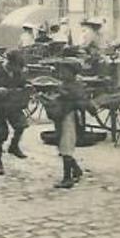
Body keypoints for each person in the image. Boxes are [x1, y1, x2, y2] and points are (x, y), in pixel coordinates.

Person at [42, 55, 92, 189]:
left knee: (66, 144)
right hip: (61, 117)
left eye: (65, 71)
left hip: (71, 118)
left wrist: (63, 95)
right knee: (62, 144)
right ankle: (76, 170)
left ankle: (67, 178)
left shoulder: (76, 86)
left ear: (73, 72)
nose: (62, 73)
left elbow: (78, 100)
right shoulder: (64, 84)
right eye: (61, 71)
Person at [0, 49, 30, 175]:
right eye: (17, 67)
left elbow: (23, 84)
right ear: (10, 63)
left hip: (13, 105)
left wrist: (26, 88)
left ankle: (14, 146)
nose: (18, 70)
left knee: (21, 124)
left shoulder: (18, 73)